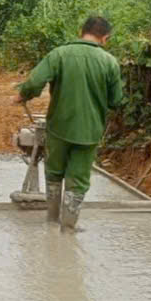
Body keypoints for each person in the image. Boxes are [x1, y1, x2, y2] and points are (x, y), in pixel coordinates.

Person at [16, 14, 123, 233]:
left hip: (59, 127)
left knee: (54, 173)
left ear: (80, 31)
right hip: (89, 131)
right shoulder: (109, 62)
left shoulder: (59, 54)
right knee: (79, 179)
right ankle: (68, 228)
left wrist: (23, 95)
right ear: (105, 38)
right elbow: (115, 100)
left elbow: (35, 81)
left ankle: (51, 222)